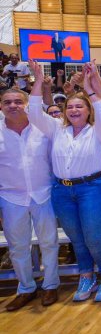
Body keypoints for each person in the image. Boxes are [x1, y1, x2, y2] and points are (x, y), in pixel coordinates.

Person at [27, 60, 101, 302]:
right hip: (62, 191)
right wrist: (38, 81)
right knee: (77, 239)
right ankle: (86, 275)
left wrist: (88, 87)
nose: (74, 110)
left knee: (95, 238)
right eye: (70, 107)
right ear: (64, 110)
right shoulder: (57, 128)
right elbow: (33, 112)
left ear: (88, 110)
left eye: (80, 106)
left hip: (92, 189)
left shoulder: (98, 130)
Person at [0, 88, 60, 310]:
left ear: (26, 104)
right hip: (10, 197)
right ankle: (26, 288)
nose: (13, 106)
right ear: (1, 106)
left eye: (18, 101)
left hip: (44, 193)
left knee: (49, 242)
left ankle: (51, 285)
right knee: (18, 246)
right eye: (7, 102)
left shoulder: (42, 128)